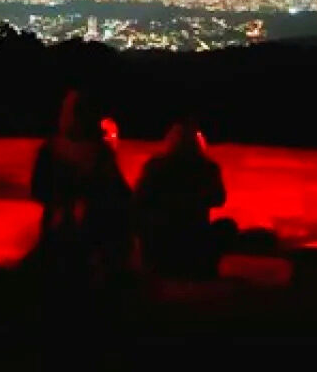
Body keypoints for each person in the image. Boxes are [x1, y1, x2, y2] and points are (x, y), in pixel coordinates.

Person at [29, 88, 132, 286]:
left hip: (70, 237)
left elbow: (38, 190)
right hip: (87, 240)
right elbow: (122, 197)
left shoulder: (50, 151)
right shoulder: (100, 155)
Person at [133, 117, 236, 279]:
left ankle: (154, 263)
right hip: (195, 240)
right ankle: (202, 266)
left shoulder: (155, 165)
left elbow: (138, 199)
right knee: (227, 227)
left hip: (161, 239)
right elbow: (219, 198)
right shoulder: (207, 168)